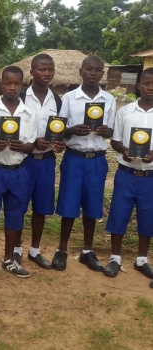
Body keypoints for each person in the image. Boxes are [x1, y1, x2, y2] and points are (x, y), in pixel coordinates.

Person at [52, 56, 116, 272]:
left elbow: (114, 130)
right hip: (74, 158)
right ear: (80, 71)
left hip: (97, 160)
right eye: (89, 69)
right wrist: (71, 130)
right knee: (68, 205)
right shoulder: (70, 98)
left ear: (102, 74)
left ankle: (88, 251)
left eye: (98, 70)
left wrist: (108, 132)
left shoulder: (109, 99)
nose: (93, 73)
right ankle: (61, 249)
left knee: (92, 206)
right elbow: (58, 129)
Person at [0, 65, 37, 280]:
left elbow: (31, 145)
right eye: (8, 83)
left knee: (15, 217)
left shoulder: (29, 114)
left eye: (17, 83)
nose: (12, 88)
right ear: (0, 84)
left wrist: (21, 147)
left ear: (22, 85)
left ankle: (8, 259)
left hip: (18, 171)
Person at [14, 54, 65, 268]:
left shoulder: (57, 100)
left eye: (50, 70)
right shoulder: (21, 97)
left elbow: (58, 130)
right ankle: (15, 248)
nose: (47, 74)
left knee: (41, 207)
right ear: (32, 72)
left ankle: (34, 250)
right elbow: (13, 128)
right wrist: (33, 141)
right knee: (18, 205)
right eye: (42, 69)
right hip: (24, 160)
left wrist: (60, 143)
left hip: (46, 161)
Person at [103, 68, 153, 287]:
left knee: (148, 216)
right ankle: (115, 257)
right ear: (138, 85)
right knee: (119, 213)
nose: (150, 87)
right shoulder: (125, 112)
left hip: (150, 176)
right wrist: (124, 150)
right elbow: (114, 140)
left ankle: (142, 259)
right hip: (126, 173)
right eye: (146, 83)